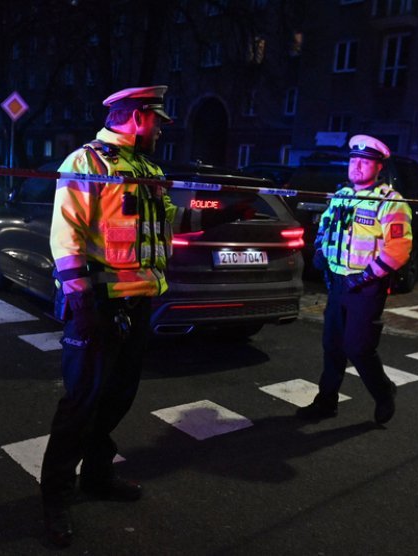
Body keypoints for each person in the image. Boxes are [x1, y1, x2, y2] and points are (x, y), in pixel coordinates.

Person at [40, 85, 250, 548]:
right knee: (80, 404)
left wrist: (223, 215)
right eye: (158, 120)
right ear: (137, 117)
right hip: (99, 305)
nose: (161, 129)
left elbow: (167, 223)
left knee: (116, 398)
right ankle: (54, 499)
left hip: (139, 303)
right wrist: (81, 300)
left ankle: (96, 477)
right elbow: (66, 234)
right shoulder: (87, 164)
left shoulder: (147, 168)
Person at [296, 134, 412, 426]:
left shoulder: (391, 203)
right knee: (332, 345)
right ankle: (326, 402)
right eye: (354, 160)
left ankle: (384, 391)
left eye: (365, 162)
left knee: (358, 347)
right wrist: (320, 250)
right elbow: (324, 226)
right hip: (337, 282)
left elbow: (399, 250)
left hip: (366, 286)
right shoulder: (341, 196)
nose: (357, 166)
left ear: (378, 168)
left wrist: (365, 276)